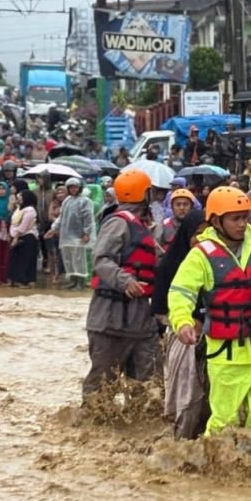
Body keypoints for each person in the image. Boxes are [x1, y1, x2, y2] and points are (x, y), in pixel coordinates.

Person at [168, 186, 251, 436]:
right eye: (235, 218)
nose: (242, 224)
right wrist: (183, 321)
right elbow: (181, 292)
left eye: (244, 217)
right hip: (225, 352)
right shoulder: (201, 255)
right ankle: (221, 467)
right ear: (217, 221)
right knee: (225, 420)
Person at [82, 170, 163, 399]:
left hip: (140, 319)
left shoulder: (144, 226)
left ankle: (145, 428)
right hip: (110, 318)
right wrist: (124, 280)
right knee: (101, 387)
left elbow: (158, 261)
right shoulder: (118, 223)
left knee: (151, 384)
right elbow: (101, 258)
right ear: (144, 194)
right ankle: (92, 426)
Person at [154, 209, 210, 439]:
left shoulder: (221, 264)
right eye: (198, 233)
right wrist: (185, 323)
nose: (203, 238)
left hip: (218, 336)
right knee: (186, 397)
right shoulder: (171, 263)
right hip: (183, 338)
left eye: (209, 232)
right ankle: (181, 441)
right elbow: (160, 309)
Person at [46, 177, 95, 290]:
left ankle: (80, 283)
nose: (73, 189)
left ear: (80, 188)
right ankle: (73, 281)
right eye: (71, 187)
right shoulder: (67, 200)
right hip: (66, 235)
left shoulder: (85, 201)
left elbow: (88, 218)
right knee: (68, 259)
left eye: (75, 187)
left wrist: (86, 232)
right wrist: (53, 229)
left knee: (79, 259)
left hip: (79, 235)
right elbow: (61, 217)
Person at [8, 190, 39, 288]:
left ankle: (25, 281)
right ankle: (16, 279)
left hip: (27, 237)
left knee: (26, 260)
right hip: (17, 235)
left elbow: (24, 226)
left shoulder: (30, 210)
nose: (19, 198)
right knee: (17, 260)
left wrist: (16, 237)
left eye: (21, 197)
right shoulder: (19, 209)